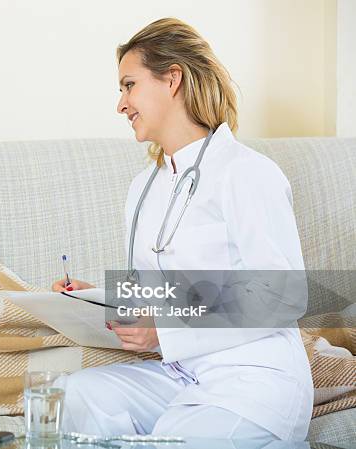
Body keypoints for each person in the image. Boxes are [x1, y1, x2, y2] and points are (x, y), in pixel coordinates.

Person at [52, 18, 313, 440]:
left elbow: (284, 295)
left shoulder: (246, 172)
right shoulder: (144, 187)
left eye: (128, 85)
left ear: (172, 79)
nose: (121, 104)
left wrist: (167, 327)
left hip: (253, 382)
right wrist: (98, 301)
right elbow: (160, 299)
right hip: (181, 378)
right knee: (71, 397)